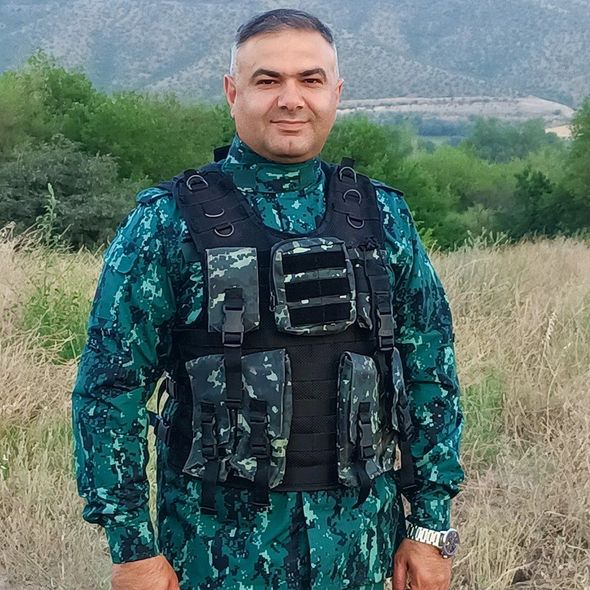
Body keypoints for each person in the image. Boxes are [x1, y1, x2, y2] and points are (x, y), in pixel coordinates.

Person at [72, 8, 464, 590]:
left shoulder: (383, 217)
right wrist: (133, 551)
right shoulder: (167, 223)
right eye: (267, 80)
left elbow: (431, 372)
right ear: (233, 93)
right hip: (212, 556)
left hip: (361, 553)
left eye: (310, 80)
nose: (291, 99)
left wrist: (430, 527)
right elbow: (110, 392)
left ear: (335, 93)